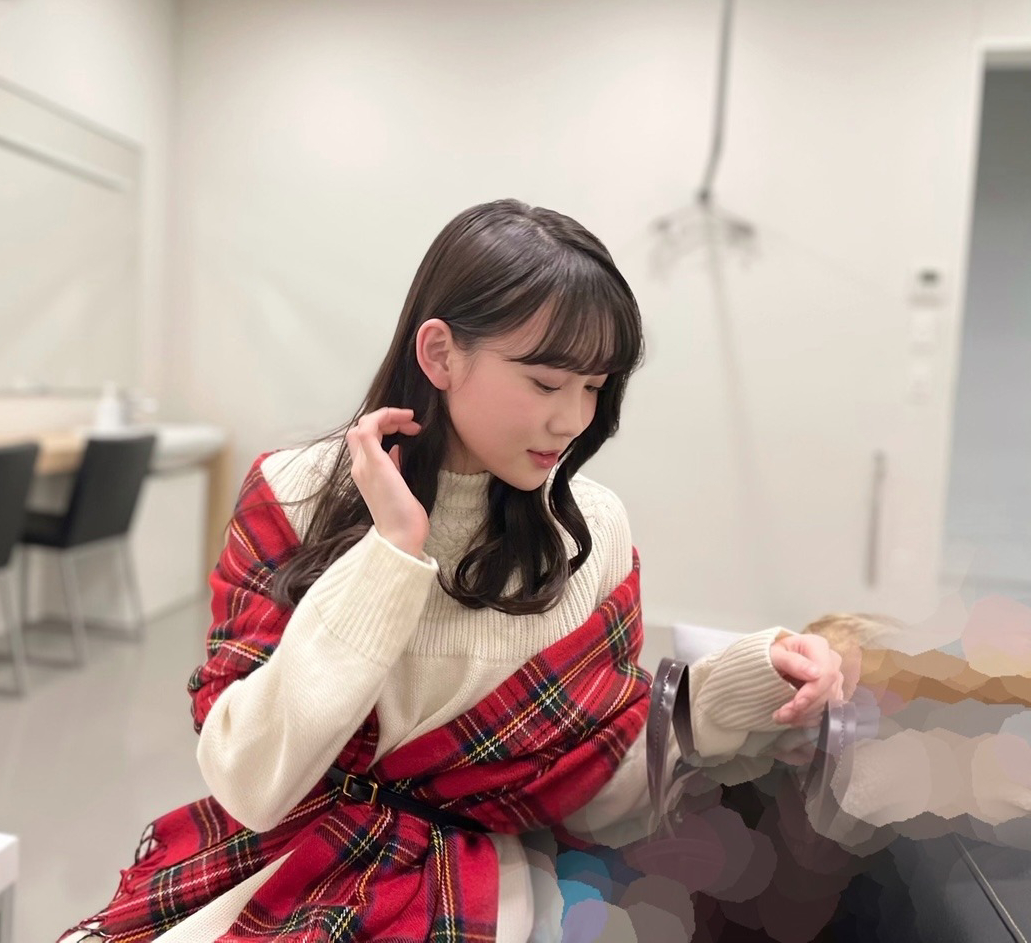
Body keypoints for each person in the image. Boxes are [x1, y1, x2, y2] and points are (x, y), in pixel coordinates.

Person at [58, 199, 844, 943]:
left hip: (478, 887)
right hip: (280, 861)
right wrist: (392, 554)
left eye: (594, 388)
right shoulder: (292, 493)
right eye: (546, 382)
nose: (573, 419)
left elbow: (599, 784)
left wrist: (750, 680)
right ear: (439, 354)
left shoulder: (592, 529)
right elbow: (252, 780)